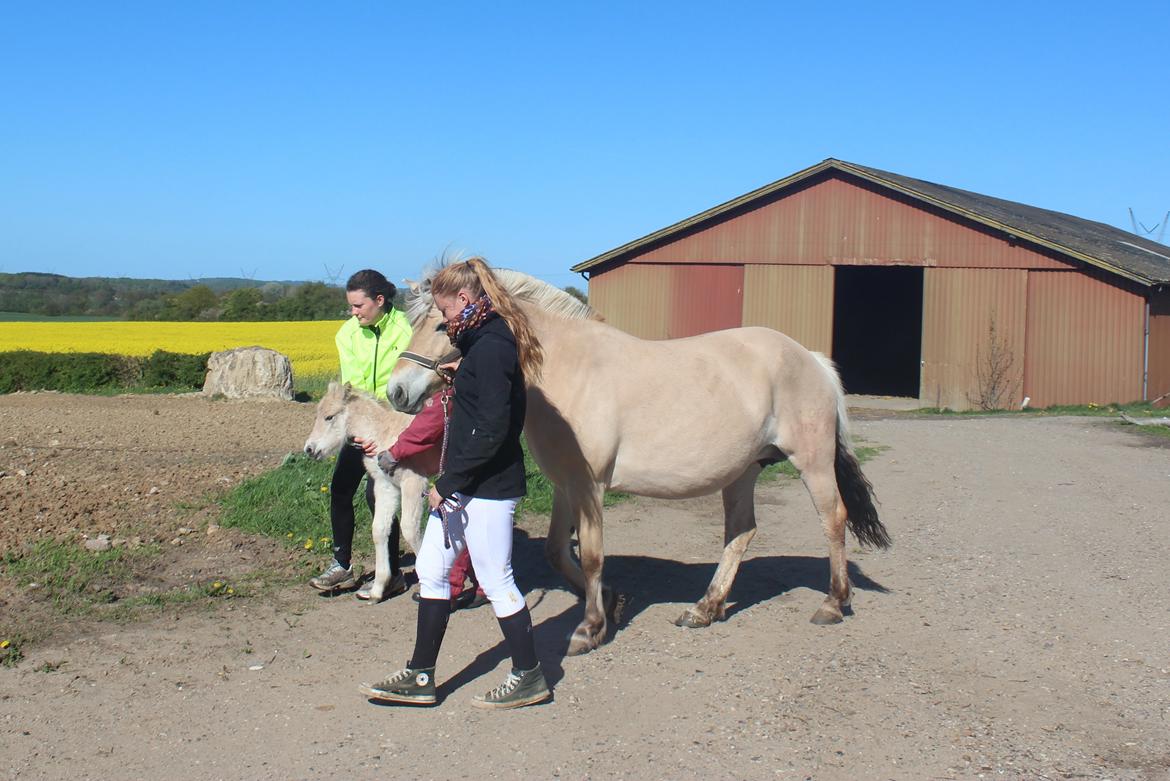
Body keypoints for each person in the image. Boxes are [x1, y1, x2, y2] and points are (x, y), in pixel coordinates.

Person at [359, 256, 549, 709]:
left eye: (443, 313)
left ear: (464, 300)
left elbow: (494, 428)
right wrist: (458, 377)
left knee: (497, 580)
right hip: (468, 484)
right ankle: (421, 675)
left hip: (485, 486)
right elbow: (482, 404)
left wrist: (451, 482)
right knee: (431, 571)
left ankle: (529, 676)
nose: (443, 322)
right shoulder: (481, 344)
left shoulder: (492, 346)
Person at [308, 269, 412, 598]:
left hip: (397, 423)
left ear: (379, 301)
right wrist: (360, 432)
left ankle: (392, 573)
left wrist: (388, 426)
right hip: (360, 422)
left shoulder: (406, 328)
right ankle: (342, 565)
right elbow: (351, 388)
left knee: (379, 493)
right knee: (340, 488)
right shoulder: (347, 335)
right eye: (350, 307)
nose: (353, 313)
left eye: (358, 306)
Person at [355, 384, 488, 610]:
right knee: (466, 516)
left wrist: (396, 451)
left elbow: (430, 421)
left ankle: (449, 587)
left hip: (461, 454)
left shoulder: (450, 386)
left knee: (455, 515)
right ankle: (480, 583)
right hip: (461, 451)